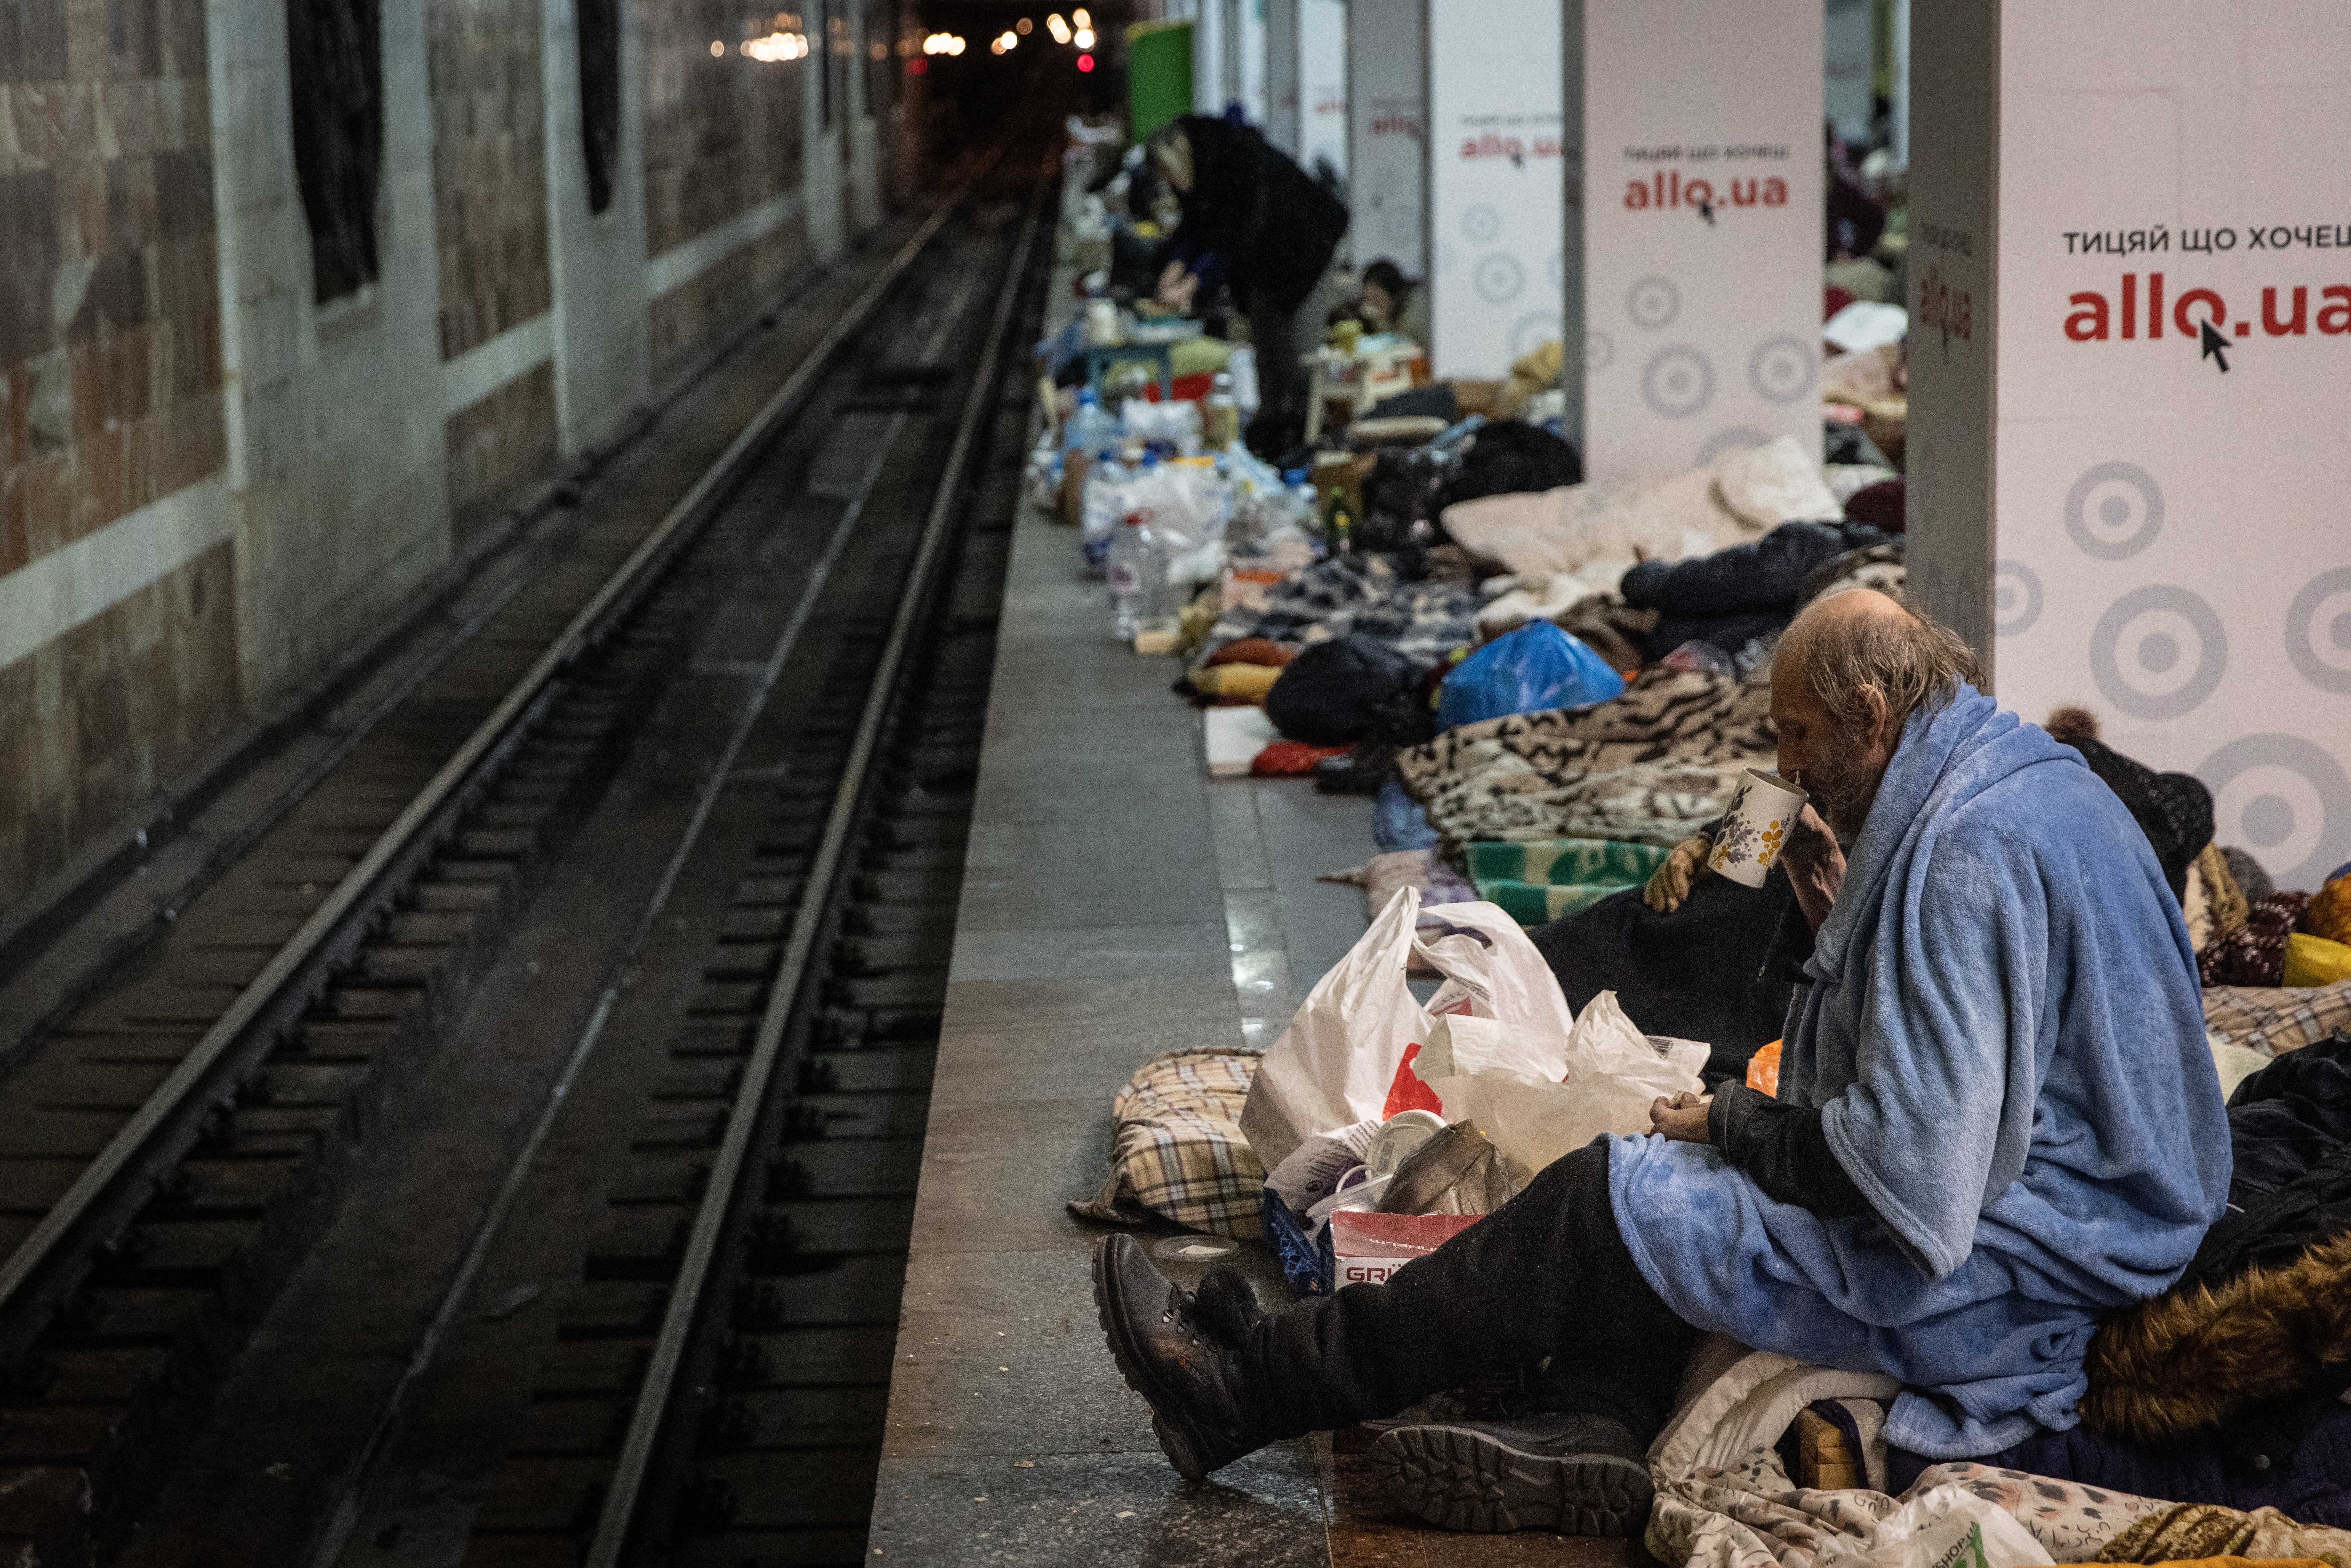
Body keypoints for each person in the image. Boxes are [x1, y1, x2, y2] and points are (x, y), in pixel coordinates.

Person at [1091, 589, 2230, 1532]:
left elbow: (1917, 1184)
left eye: (1793, 737)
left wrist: (1737, 1128)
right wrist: (1821, 938)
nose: (1777, 768)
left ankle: (1245, 1391)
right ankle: (1588, 1419)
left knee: (1611, 1188)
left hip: (2024, 1270)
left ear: (1871, 713)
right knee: (1663, 1195)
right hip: (2106, 1221)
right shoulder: (2031, 780)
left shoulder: (1955, 857)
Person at [1147, 116, 1349, 458]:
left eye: (1167, 172)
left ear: (1177, 155)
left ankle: (1308, 439)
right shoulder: (1201, 174)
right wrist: (1174, 270)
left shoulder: (1237, 160)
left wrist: (1191, 285)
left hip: (1304, 254)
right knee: (1265, 350)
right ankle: (1271, 433)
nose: (1168, 182)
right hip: (1264, 264)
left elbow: (1235, 233)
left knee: (1296, 351)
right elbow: (1195, 228)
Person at [1358, 258, 1431, 348]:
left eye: (1376, 298)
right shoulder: (1398, 307)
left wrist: (1380, 321)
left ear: (1392, 291)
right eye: (1368, 300)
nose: (1372, 305)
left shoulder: (1416, 308)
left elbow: (1398, 343)